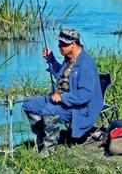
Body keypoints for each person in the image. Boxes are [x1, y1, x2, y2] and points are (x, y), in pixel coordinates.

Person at [22, 28, 103, 157]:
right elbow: (63, 77)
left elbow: (85, 95)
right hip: (57, 100)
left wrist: (62, 98)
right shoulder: (69, 58)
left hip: (79, 107)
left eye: (63, 44)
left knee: (49, 110)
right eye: (59, 43)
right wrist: (52, 60)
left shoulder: (86, 64)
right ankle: (43, 139)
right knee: (29, 104)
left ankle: (49, 151)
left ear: (74, 44)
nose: (60, 46)